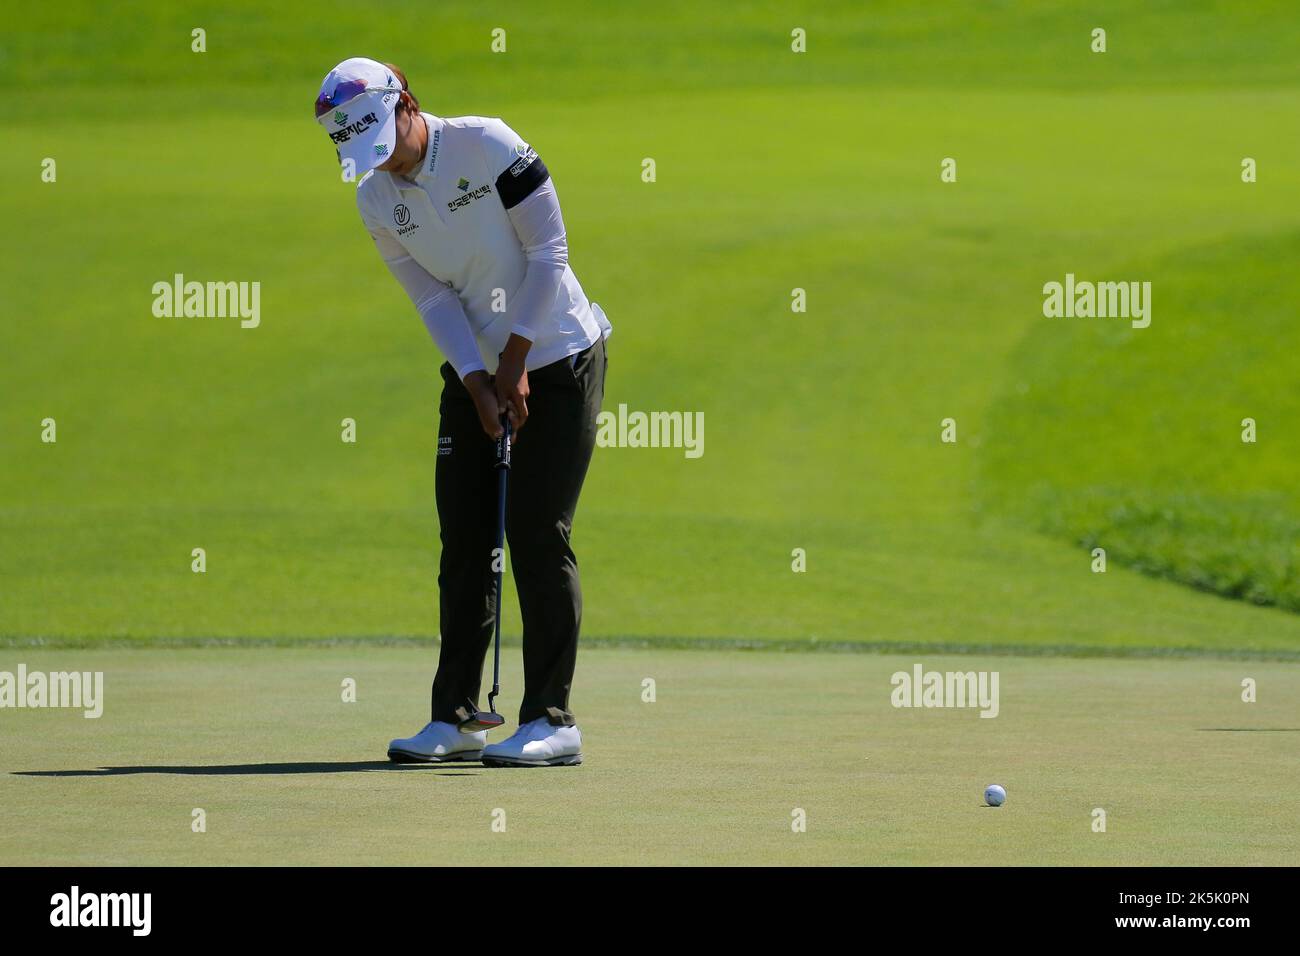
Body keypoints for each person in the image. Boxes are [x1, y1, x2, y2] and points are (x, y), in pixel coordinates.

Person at [314, 57, 611, 766]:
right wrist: (478, 381)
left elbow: (548, 253)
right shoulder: (376, 200)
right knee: (465, 541)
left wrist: (514, 363)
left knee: (536, 532)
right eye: (367, 154)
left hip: (560, 354)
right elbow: (433, 298)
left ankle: (550, 718)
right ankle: (454, 716)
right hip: (478, 368)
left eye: (386, 142)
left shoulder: (491, 145)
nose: (381, 163)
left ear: (408, 105)